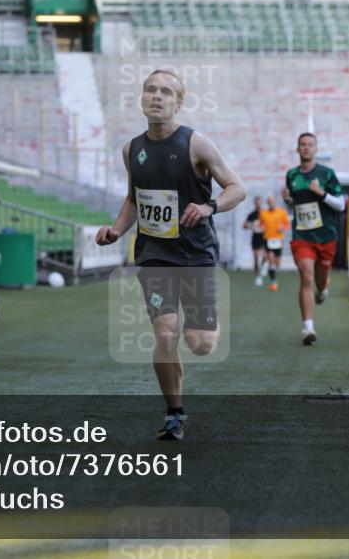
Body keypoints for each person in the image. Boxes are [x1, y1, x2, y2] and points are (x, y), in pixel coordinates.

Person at [96, 69, 245, 441]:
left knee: (200, 344)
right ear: (142, 98)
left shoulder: (196, 144)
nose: (156, 96)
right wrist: (116, 230)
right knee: (165, 332)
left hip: (196, 255)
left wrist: (209, 206)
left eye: (165, 91)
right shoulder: (132, 150)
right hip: (154, 255)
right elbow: (134, 199)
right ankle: (174, 413)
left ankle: (209, 322)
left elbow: (236, 188)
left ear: (178, 103)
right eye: (151, 89)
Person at [282, 132, 346, 346]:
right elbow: (295, 204)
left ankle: (323, 288)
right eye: (303, 144)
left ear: (316, 149)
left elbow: (341, 205)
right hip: (302, 235)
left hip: (326, 235)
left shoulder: (326, 174)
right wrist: (288, 201)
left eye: (310, 144)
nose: (306, 147)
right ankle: (308, 328)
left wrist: (321, 193)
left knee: (320, 279)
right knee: (306, 276)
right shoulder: (291, 175)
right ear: (297, 149)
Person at [258, 195, 290, 291]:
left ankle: (268, 268)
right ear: (267, 203)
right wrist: (261, 227)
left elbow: (287, 224)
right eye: (269, 201)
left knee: (277, 263)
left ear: (275, 202)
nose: (271, 203)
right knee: (271, 259)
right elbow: (260, 225)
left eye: (272, 201)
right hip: (268, 239)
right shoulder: (263, 213)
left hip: (278, 240)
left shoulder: (281, 212)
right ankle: (273, 281)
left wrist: (283, 228)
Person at [241, 196, 266, 286]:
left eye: (259, 203)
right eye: (256, 203)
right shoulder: (252, 215)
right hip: (256, 237)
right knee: (256, 258)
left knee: (265, 256)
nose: (258, 205)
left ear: (262, 203)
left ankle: (263, 267)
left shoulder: (265, 213)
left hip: (265, 237)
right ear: (255, 204)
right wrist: (251, 226)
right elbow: (244, 225)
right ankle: (258, 277)